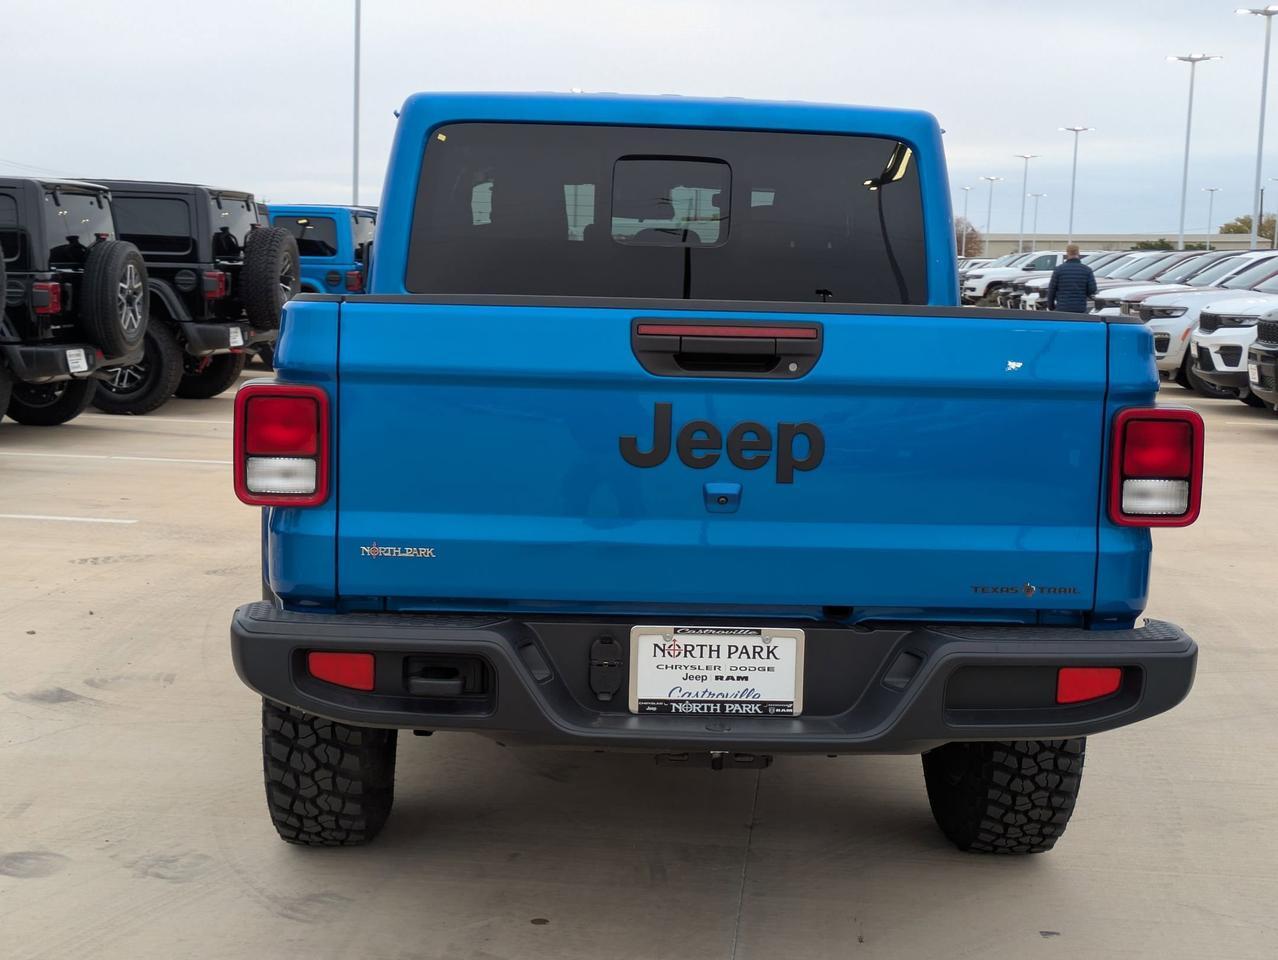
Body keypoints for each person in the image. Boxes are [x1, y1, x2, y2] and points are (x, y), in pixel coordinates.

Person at [1046, 244, 1097, 313]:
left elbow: (1052, 290)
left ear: (1067, 253)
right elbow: (1092, 289)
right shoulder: (1087, 270)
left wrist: (1051, 306)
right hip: (1080, 308)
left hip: (1062, 307)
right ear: (1078, 253)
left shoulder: (1059, 269)